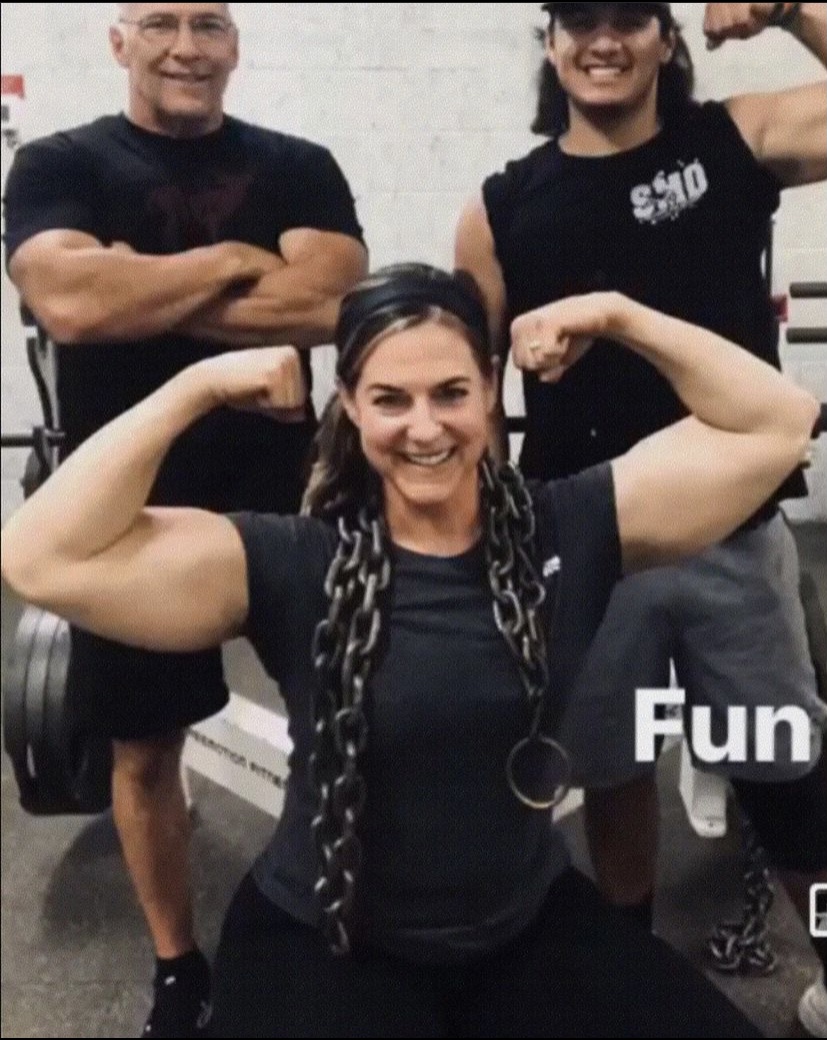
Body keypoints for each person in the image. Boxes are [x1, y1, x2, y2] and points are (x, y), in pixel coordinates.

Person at [1, 263, 819, 1037]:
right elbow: (40, 556)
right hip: (325, 936)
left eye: (450, 393)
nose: (424, 427)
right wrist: (198, 387)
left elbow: (778, 421)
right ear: (351, 406)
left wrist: (618, 315)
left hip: (522, 926)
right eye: (390, 399)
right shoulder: (293, 562)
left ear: (489, 390)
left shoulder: (565, 527)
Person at [455, 2, 827, 1033]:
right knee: (611, 778)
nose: (603, 41)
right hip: (584, 547)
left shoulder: (733, 140)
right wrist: (487, 548)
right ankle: (631, 983)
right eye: (579, 21)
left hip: (730, 538)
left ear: (667, 38)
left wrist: (794, 12)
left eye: (628, 17)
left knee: (788, 779)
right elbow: (470, 394)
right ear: (549, 43)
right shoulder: (499, 206)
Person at [3, 3, 367, 1036]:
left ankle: (344, 920)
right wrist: (236, 259)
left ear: (234, 45)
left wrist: (137, 282)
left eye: (208, 24)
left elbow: (329, 304)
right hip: (130, 508)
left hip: (290, 499)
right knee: (143, 748)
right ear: (119, 41)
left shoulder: (297, 163)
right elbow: (71, 305)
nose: (185, 46)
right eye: (159, 21)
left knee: (342, 720)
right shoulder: (59, 165)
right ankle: (177, 966)